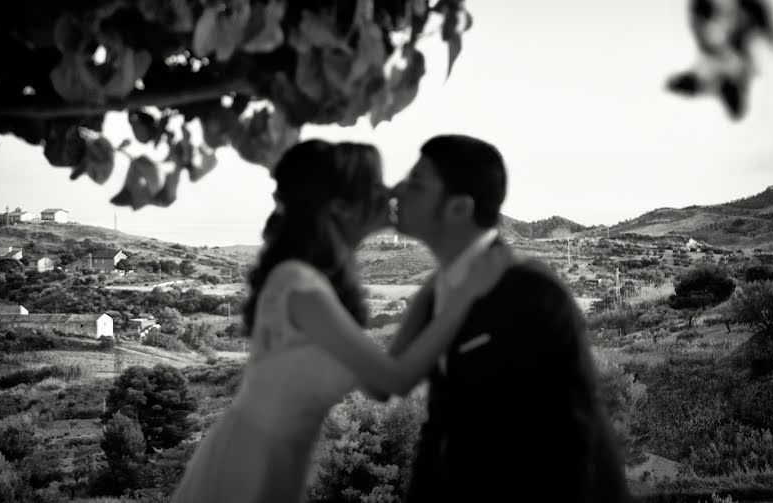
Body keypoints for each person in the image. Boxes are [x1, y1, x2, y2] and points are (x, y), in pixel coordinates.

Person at [170, 139, 512, 503]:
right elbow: (396, 379)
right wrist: (464, 298)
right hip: (251, 460)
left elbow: (379, 385)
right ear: (341, 208)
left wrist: (438, 284)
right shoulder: (301, 285)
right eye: (375, 184)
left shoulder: (318, 283)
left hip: (281, 457)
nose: (390, 190)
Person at [385, 134, 631, 502]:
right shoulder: (438, 292)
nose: (397, 189)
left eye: (416, 183)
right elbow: (441, 422)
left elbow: (571, 433)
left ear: (458, 209)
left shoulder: (533, 292)